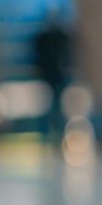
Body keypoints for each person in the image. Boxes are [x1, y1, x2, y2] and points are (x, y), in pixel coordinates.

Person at [33, 10, 72, 140]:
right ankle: (48, 133)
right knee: (48, 106)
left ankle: (59, 131)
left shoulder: (61, 36)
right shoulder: (45, 38)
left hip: (58, 77)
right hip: (49, 77)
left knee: (59, 106)